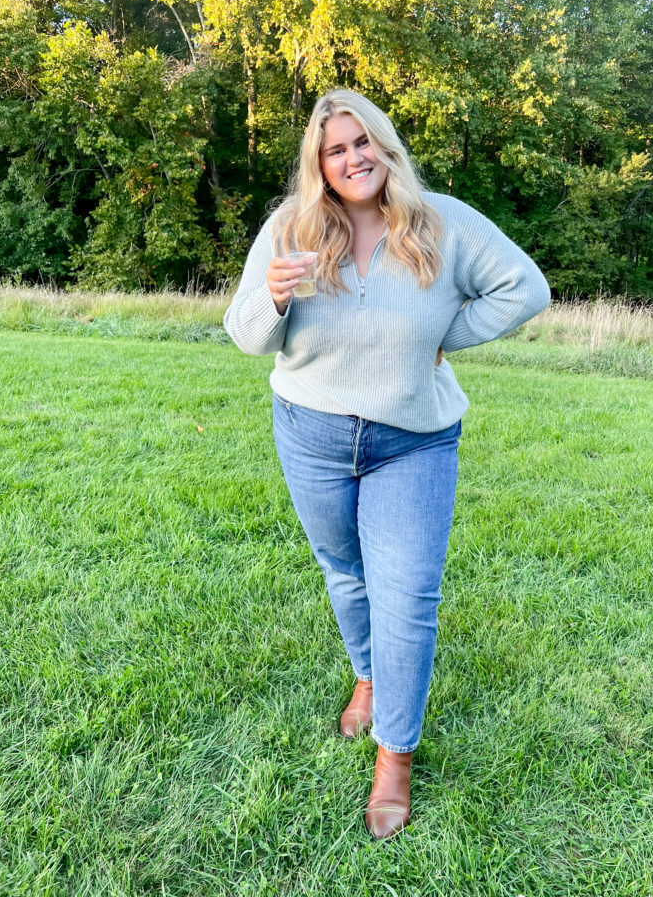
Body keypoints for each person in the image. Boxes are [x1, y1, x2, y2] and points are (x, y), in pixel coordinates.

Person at [223, 89, 550, 840]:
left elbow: (526, 288)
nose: (353, 157)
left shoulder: (440, 222)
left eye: (363, 142)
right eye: (336, 149)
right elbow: (245, 336)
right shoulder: (292, 227)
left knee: (407, 598)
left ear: (386, 147)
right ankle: (367, 676)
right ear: (320, 164)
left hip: (414, 439)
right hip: (311, 432)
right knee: (345, 571)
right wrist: (271, 297)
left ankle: (394, 755)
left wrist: (448, 331)